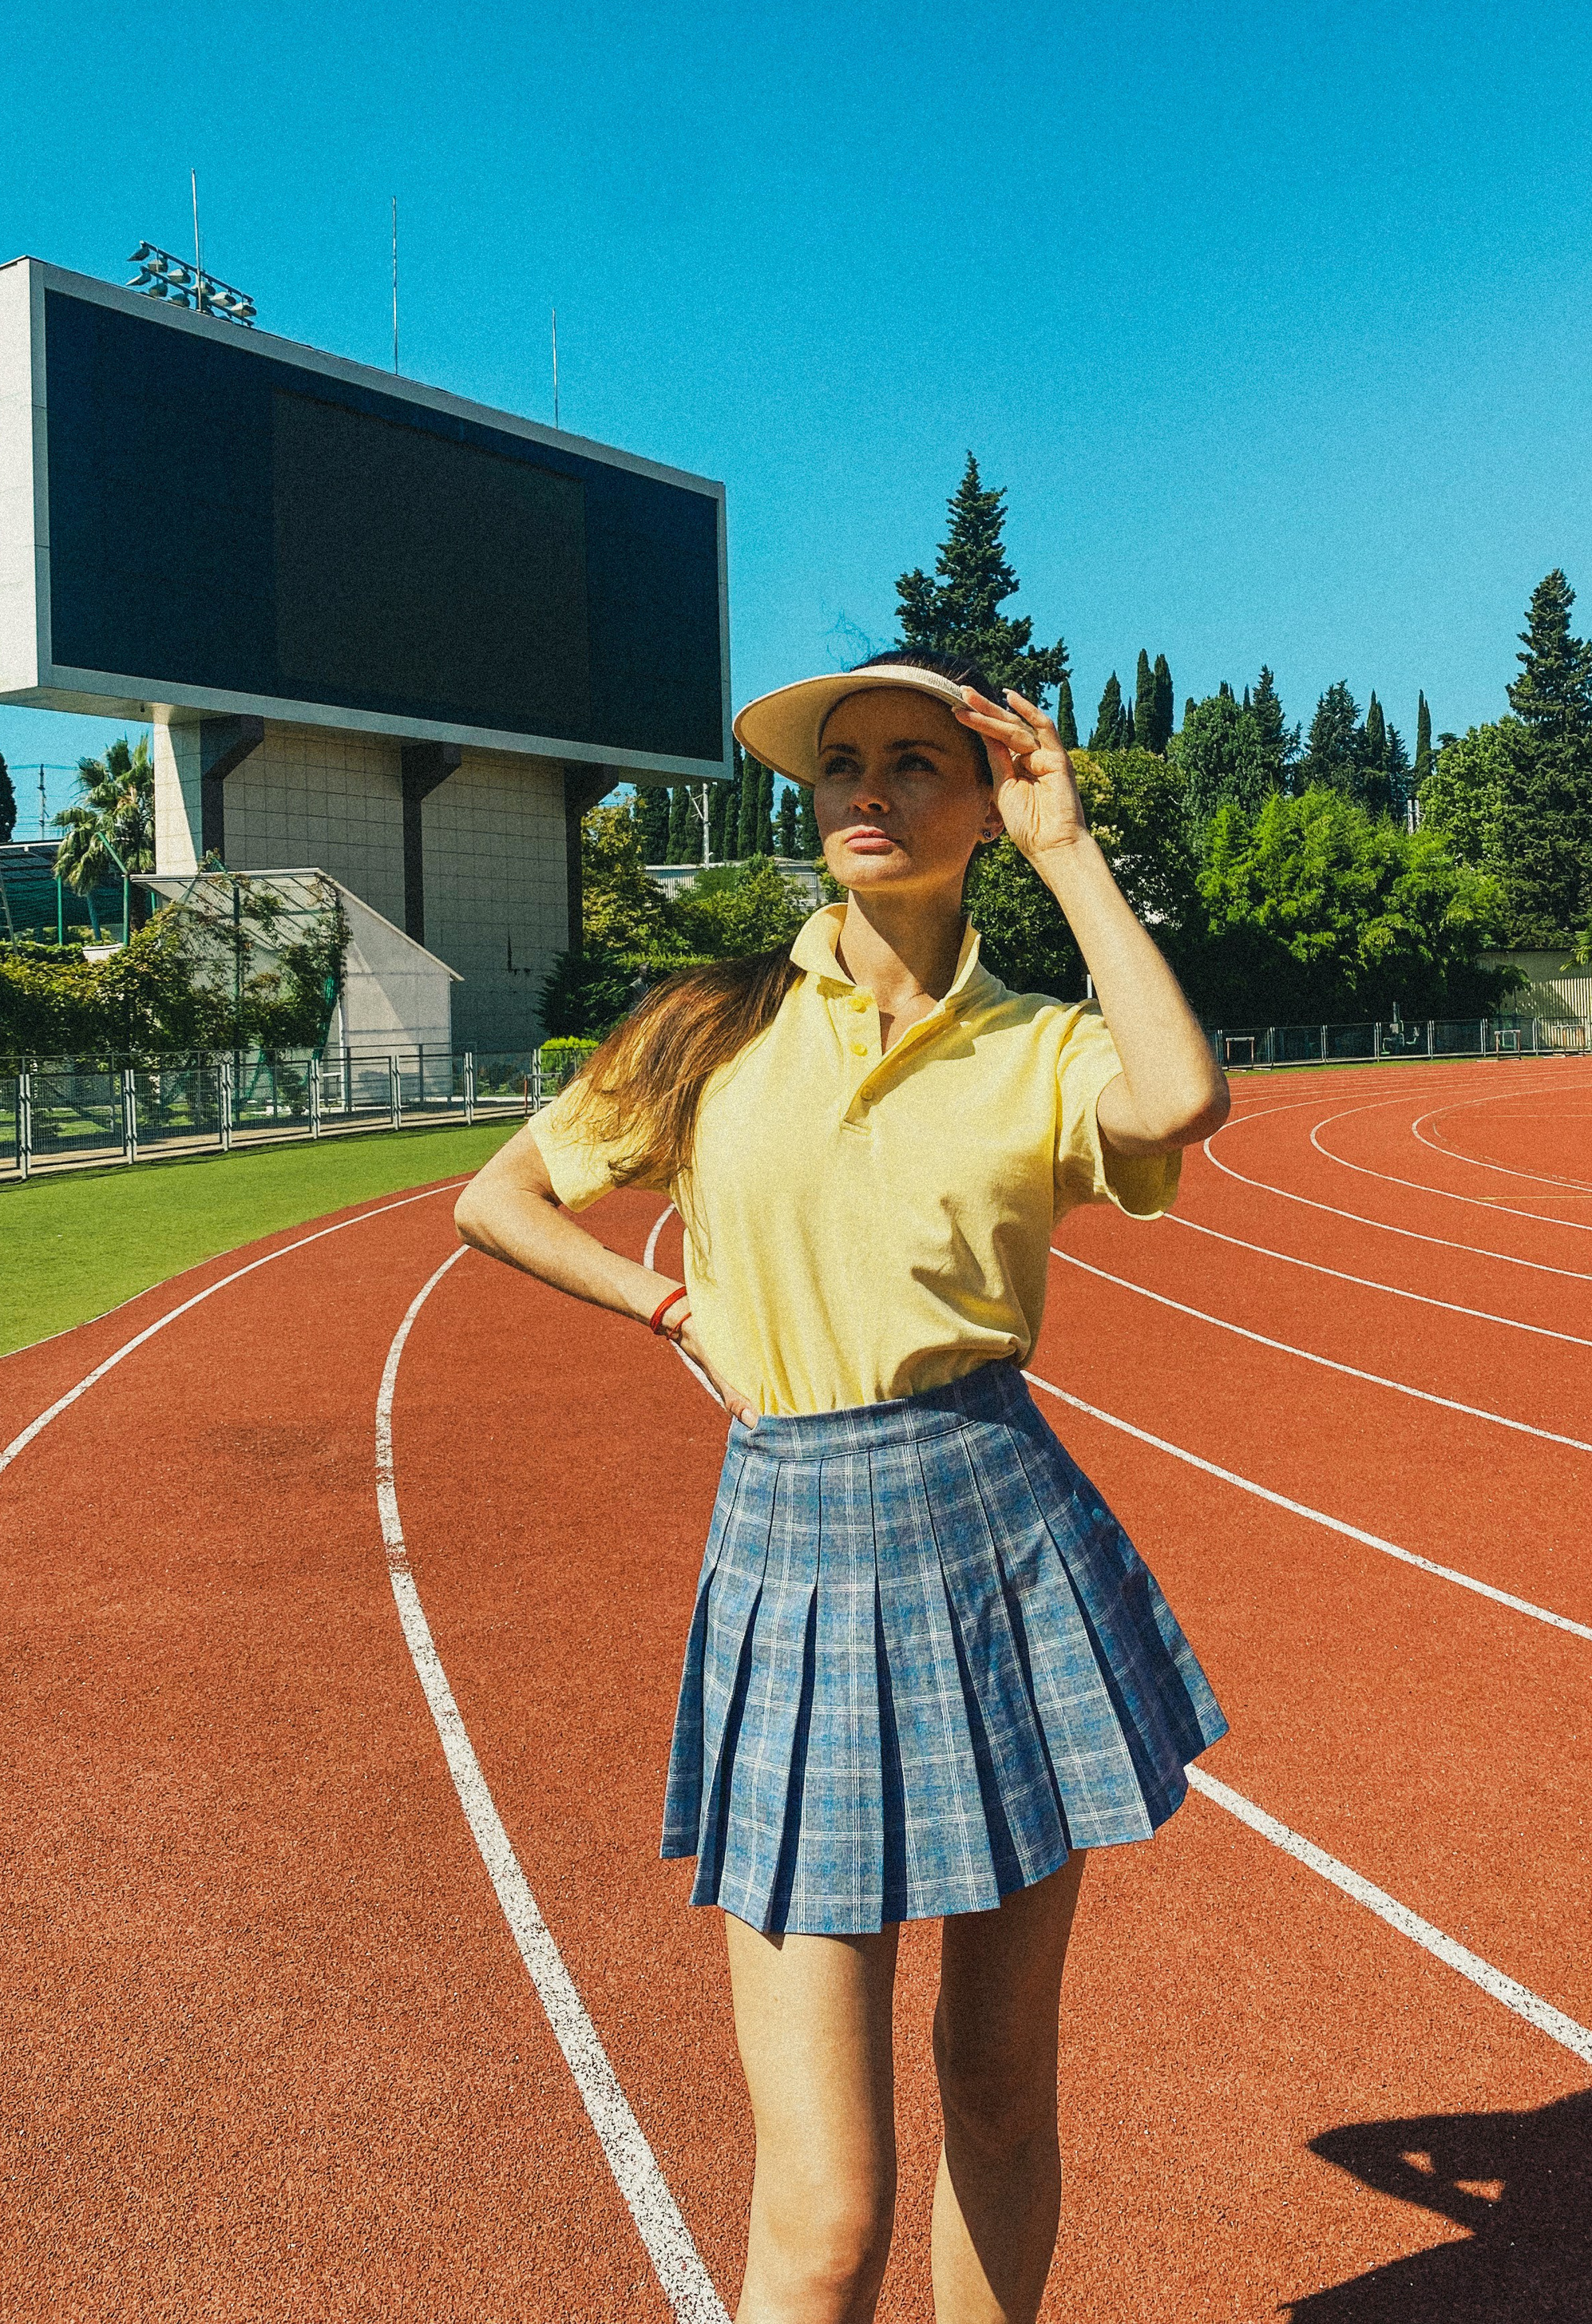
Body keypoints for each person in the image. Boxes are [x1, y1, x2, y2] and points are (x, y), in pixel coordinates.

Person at [455, 651, 1230, 2324]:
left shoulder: (1034, 1047)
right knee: (823, 2211)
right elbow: (499, 1199)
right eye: (840, 770)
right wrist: (664, 1301)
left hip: (1001, 1544)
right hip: (792, 1562)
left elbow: (1178, 1098)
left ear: (976, 804)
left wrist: (1067, 851)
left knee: (999, 2084)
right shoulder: (708, 1023)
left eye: (910, 767)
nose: (866, 795)